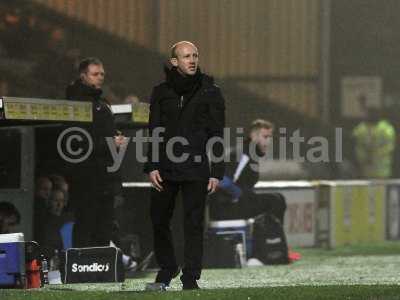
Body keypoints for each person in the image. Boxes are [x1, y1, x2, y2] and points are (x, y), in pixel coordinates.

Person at [144, 41, 225, 290]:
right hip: (166, 167)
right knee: (159, 219)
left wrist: (217, 171)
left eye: (195, 55)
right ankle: (167, 267)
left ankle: (190, 277)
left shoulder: (211, 91)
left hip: (196, 167)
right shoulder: (160, 92)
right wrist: (152, 165)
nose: (193, 60)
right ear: (174, 62)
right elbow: (154, 130)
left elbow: (217, 134)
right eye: (186, 56)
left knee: (193, 224)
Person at [65, 57, 125, 247]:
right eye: (95, 74)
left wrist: (117, 138)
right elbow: (76, 143)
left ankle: (100, 268)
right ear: (83, 76)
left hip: (105, 175)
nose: (100, 78)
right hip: (86, 175)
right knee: (86, 221)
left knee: (104, 224)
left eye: (102, 74)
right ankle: (80, 267)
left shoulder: (102, 103)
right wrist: (110, 143)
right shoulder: (75, 103)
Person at [210, 119, 287, 226]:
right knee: (275, 201)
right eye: (265, 137)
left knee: (278, 198)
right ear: (253, 137)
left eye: (270, 137)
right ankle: (272, 239)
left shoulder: (250, 153)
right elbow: (223, 181)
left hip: (233, 204)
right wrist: (241, 194)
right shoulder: (243, 154)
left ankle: (268, 237)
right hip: (225, 207)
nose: (269, 141)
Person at [352, 107, 395, 178]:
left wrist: (375, 154)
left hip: (381, 169)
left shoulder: (386, 129)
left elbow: (389, 146)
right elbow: (356, 142)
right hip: (365, 168)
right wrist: (363, 156)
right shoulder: (361, 128)